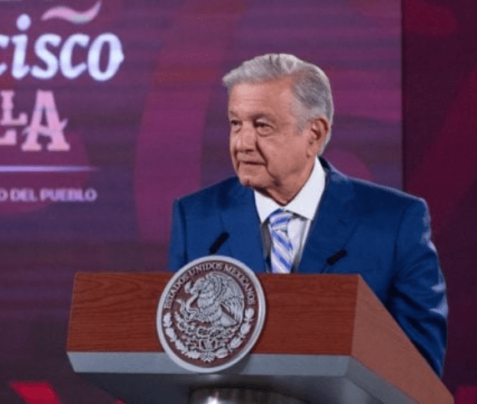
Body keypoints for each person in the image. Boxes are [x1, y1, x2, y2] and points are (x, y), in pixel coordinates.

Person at [168, 53, 448, 376]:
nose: (242, 143)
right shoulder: (195, 218)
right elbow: (176, 350)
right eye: (235, 124)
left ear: (314, 134)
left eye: (262, 126)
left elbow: (420, 366)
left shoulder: (396, 222)